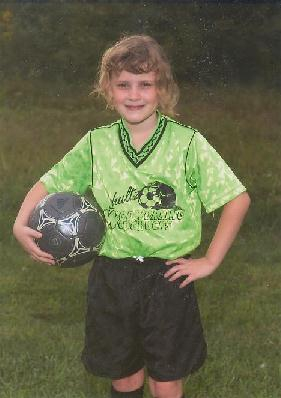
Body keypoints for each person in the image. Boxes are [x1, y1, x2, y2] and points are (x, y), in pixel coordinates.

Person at [13, 35, 250, 398]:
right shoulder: (96, 143)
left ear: (162, 89)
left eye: (145, 84)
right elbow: (50, 182)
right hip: (112, 275)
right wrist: (20, 222)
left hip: (169, 276)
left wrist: (210, 261)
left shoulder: (187, 143)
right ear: (108, 89)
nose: (134, 94)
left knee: (166, 379)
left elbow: (237, 199)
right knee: (122, 376)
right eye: (123, 84)